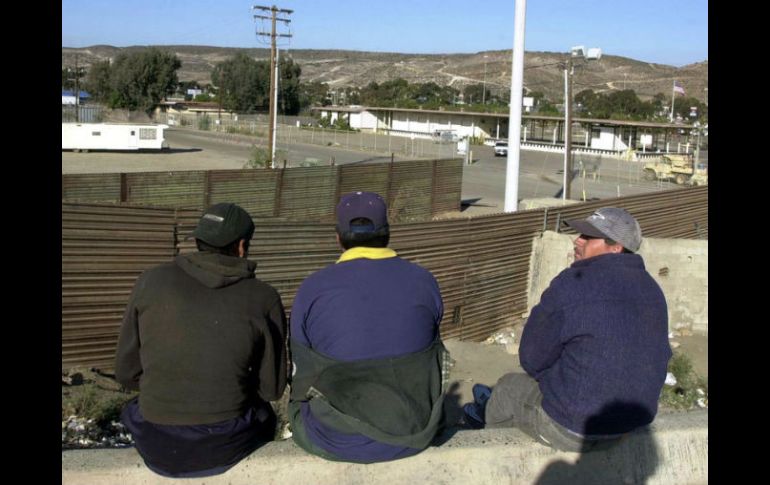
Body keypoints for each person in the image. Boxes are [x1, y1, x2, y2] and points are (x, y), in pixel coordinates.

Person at [463, 207, 671, 452]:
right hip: (632, 423)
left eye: (588, 237)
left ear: (615, 247)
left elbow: (531, 358)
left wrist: (557, 378)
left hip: (574, 427)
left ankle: (493, 463)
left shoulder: (573, 283)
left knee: (508, 388)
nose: (577, 240)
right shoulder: (652, 289)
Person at [114, 202, 288, 477]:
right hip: (225, 443)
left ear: (197, 241)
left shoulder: (150, 281)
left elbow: (126, 373)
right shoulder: (264, 297)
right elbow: (272, 390)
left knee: (135, 409)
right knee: (265, 416)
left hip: (156, 443)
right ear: (242, 247)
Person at [288, 191, 447, 464]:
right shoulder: (424, 281)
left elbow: (300, 369)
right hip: (413, 432)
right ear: (387, 234)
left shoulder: (313, 288)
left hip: (335, 437)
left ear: (338, 238)